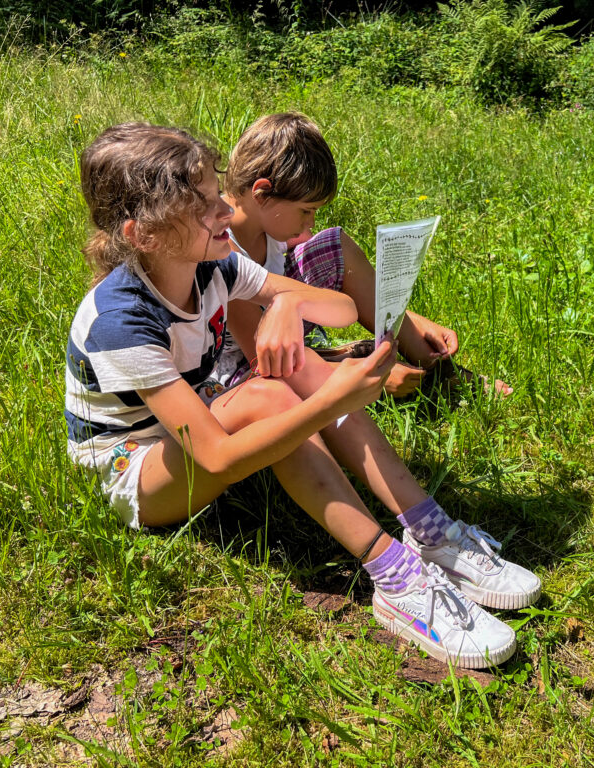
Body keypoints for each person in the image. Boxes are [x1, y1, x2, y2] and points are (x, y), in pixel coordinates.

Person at [64, 123, 539, 670]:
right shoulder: (120, 324)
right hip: (135, 472)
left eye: (216, 192)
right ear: (144, 234)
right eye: (203, 204)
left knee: (292, 385)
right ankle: (397, 579)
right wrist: (330, 401)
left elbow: (339, 311)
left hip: (186, 429)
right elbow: (216, 455)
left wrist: (288, 304)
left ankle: (430, 530)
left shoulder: (213, 264)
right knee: (273, 397)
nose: (223, 210)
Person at [213, 112, 513, 398]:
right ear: (262, 193)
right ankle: (356, 365)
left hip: (282, 328)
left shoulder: (266, 224)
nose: (311, 222)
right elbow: (263, 360)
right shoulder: (220, 250)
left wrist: (408, 321)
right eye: (306, 210)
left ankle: (439, 366)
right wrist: (371, 381)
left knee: (333, 246)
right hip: (246, 374)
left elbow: (323, 253)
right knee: (286, 386)